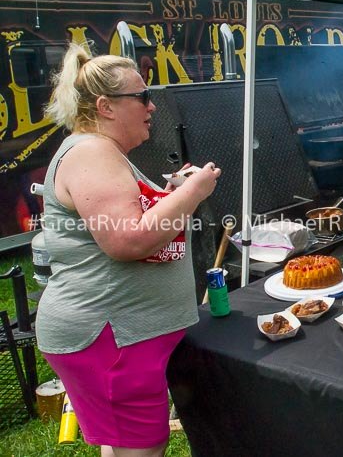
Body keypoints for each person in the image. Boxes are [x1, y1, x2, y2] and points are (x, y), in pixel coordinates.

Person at [36, 44, 221, 457]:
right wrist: (191, 193)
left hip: (119, 335)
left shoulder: (100, 152)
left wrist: (169, 193)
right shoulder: (91, 153)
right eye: (142, 97)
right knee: (142, 449)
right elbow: (127, 240)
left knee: (122, 444)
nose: (152, 107)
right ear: (105, 106)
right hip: (110, 336)